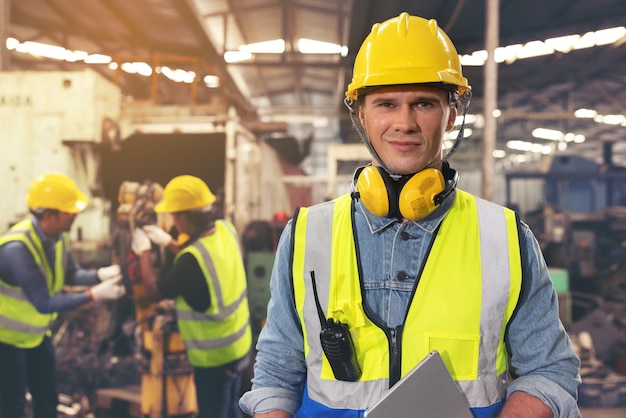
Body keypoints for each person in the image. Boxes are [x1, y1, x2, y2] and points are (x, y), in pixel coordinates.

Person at [239, 12, 581, 418]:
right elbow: (276, 374)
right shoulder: (306, 236)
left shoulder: (505, 238)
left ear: (451, 114)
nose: (404, 123)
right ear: (362, 116)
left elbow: (550, 370)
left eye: (423, 103)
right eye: (386, 104)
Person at [0, 172, 126, 418]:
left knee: (47, 401)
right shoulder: (17, 249)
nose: (75, 215)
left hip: (36, 336)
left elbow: (71, 274)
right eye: (70, 211)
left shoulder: (59, 237)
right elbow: (44, 303)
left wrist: (101, 275)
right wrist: (94, 295)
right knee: (12, 406)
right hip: (6, 341)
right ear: (49, 215)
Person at [131, 174, 252, 418]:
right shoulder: (226, 229)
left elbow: (155, 291)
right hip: (240, 346)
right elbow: (202, 257)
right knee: (232, 411)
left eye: (174, 215)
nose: (172, 220)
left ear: (184, 217)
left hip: (214, 359)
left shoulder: (190, 260)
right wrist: (169, 242)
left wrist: (143, 250)